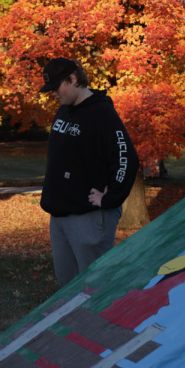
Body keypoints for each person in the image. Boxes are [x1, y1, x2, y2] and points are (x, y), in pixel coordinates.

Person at [39, 57, 138, 285]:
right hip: (61, 216)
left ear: (73, 79)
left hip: (88, 218)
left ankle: (103, 323)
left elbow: (126, 157)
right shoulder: (64, 111)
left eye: (56, 87)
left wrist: (111, 197)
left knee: (94, 288)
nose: (53, 93)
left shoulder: (102, 114)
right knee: (68, 288)